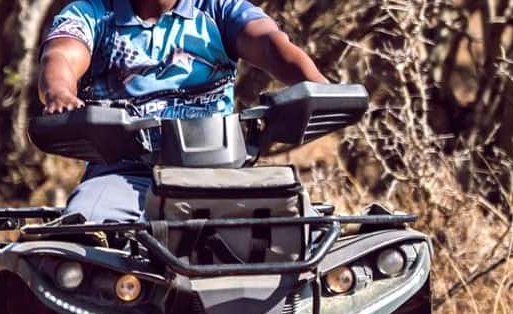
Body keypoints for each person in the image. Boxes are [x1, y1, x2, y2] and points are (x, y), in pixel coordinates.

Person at [37, 0, 326, 223]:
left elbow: (271, 44)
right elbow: (61, 54)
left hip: (224, 174)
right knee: (86, 230)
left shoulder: (219, 9)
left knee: (305, 232)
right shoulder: (91, 14)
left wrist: (319, 86)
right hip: (123, 173)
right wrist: (59, 92)